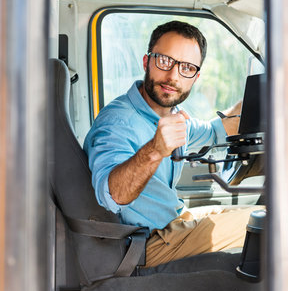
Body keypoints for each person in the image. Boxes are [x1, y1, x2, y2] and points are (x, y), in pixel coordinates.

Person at [83, 20, 261, 268]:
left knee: (262, 217)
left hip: (175, 222)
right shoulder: (117, 122)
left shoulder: (168, 116)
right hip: (145, 245)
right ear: (147, 62)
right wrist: (155, 150)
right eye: (165, 61)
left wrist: (265, 99)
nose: (173, 76)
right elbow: (112, 194)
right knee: (276, 227)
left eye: (186, 67)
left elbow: (214, 131)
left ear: (195, 77)